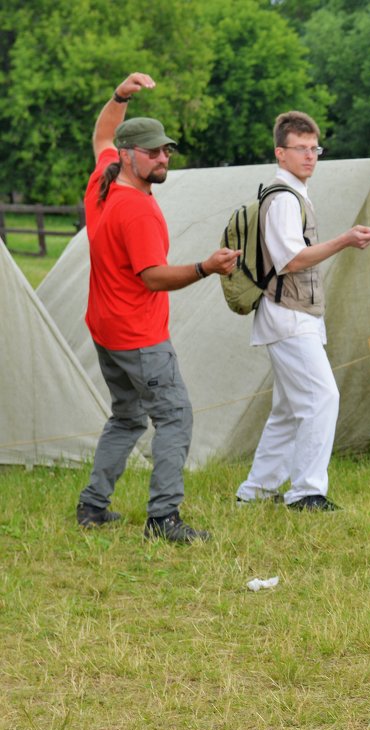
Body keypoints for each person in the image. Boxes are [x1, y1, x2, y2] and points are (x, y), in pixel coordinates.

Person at [75, 72, 240, 543]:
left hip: (104, 328)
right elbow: (153, 277)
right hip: (138, 335)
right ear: (130, 157)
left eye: (166, 150)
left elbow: (102, 134)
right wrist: (206, 267)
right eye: (153, 152)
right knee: (175, 417)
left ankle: (92, 506)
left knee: (127, 417)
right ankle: (163, 518)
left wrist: (119, 95)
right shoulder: (139, 209)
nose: (163, 157)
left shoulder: (103, 183)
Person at [235, 111, 370, 512]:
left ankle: (256, 491)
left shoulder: (294, 194)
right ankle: (306, 492)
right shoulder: (282, 198)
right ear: (281, 154)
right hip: (287, 315)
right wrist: (345, 240)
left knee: (287, 409)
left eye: (315, 148)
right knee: (321, 397)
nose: (311, 156)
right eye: (301, 149)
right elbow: (291, 260)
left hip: (299, 316)